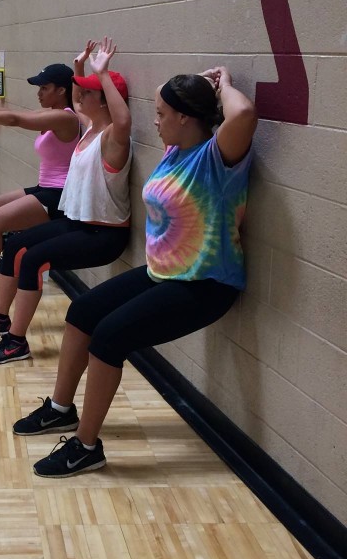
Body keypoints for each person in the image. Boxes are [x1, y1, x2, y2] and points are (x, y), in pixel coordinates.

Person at [22, 65, 257, 479]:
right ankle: (60, 408)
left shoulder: (217, 158)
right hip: (162, 273)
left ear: (185, 117)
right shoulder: (175, 150)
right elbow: (172, 98)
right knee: (82, 312)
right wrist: (195, 87)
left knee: (109, 337)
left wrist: (223, 84)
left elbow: (243, 114)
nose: (156, 120)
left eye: (162, 113)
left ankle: (86, 447)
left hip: (205, 283)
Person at [0, 37, 132, 364]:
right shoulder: (88, 126)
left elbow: (123, 120)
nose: (79, 96)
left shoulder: (113, 136)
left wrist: (103, 73)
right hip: (78, 224)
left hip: (104, 234)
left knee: (31, 259)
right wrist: (80, 66)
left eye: (88, 92)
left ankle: (15, 342)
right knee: (15, 245)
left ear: (104, 102)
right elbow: (78, 98)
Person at [0, 62, 80, 308]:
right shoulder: (52, 113)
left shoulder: (65, 118)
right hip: (45, 188)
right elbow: (15, 113)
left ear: (62, 90)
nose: (39, 93)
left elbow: (14, 119)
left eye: (44, 88)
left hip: (59, 196)